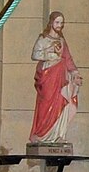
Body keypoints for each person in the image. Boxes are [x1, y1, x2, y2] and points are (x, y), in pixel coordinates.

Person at [28, 10, 81, 149]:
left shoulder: (62, 41)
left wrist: (75, 73)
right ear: (51, 22)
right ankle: (41, 135)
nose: (59, 25)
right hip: (48, 76)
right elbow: (35, 55)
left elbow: (68, 59)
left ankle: (57, 134)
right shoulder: (43, 38)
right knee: (46, 103)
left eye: (61, 23)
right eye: (57, 22)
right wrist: (50, 54)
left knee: (60, 102)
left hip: (60, 76)